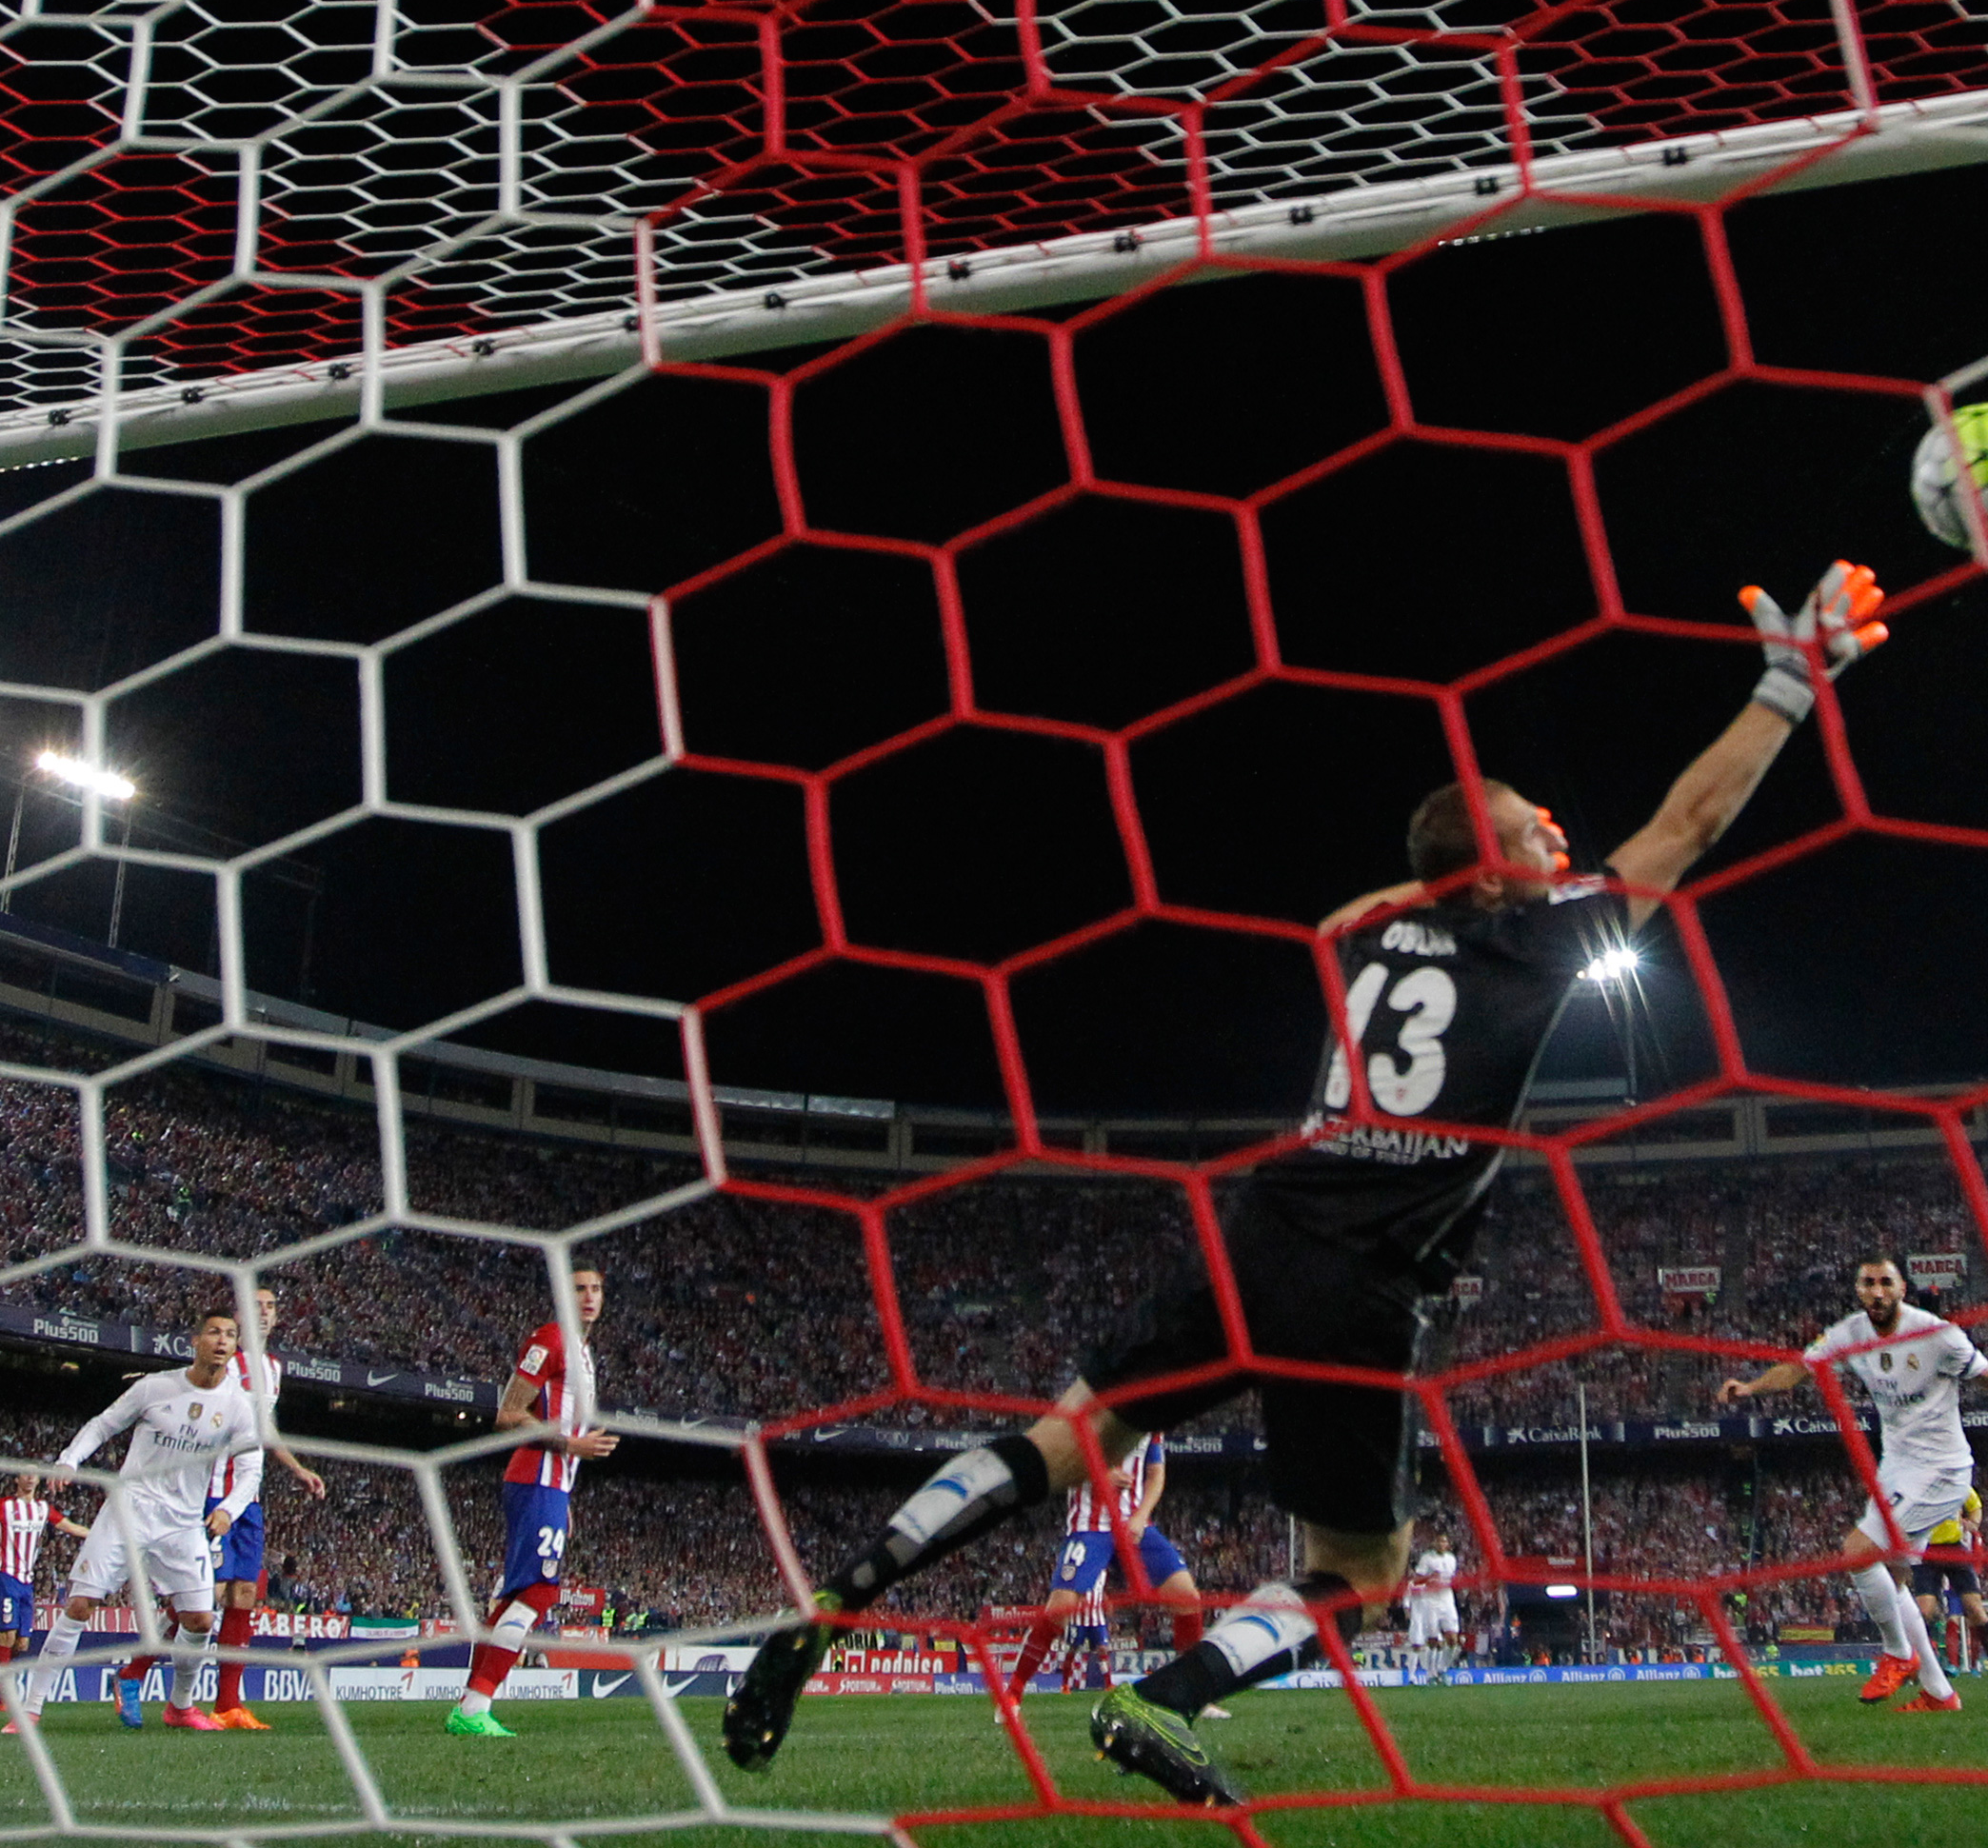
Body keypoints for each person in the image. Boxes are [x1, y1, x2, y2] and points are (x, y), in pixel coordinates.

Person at [722, 564, 1894, 1804]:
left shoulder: (1359, 933)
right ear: (1489, 872)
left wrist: (1463, 856)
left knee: (1061, 1438)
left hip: (1258, 1224)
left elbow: (1396, 883)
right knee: (1363, 1563)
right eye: (1528, 825)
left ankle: (840, 1594)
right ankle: (1159, 1700)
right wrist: (1785, 683)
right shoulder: (1535, 938)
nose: (1556, 831)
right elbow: (1688, 825)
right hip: (1360, 1281)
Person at [1719, 1256, 1988, 1715]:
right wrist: (1751, 1388)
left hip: (1944, 1471)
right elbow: (1799, 1367)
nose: (1876, 1291)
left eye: (1885, 1283)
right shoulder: (1851, 1333)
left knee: (1858, 1552)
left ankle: (1898, 1653)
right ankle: (1940, 1693)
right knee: (1892, 1580)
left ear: (1902, 1288)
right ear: (1858, 1289)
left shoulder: (1936, 1334)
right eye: (1867, 1283)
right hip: (1897, 1468)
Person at [20, 1310, 264, 1731]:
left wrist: (228, 1509)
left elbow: (251, 1470)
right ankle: (31, 1709)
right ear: (196, 1340)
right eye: (214, 1333)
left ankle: (180, 1707)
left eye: (230, 1336)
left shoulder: (238, 1406)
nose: (222, 1341)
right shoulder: (155, 1387)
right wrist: (69, 1460)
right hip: (128, 1510)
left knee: (201, 1619)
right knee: (79, 1605)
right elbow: (103, 1425)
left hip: (184, 1523)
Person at [448, 1266, 618, 1739]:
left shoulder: (583, 1352)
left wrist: (564, 1491)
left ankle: (469, 1706)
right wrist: (568, 1449)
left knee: (512, 1598)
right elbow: (507, 1414)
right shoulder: (551, 1339)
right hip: (534, 1477)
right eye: (578, 1289)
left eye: (595, 1289)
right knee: (539, 1592)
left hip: (551, 1486)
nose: (588, 1297)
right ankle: (477, 1703)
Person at [158, 1286, 328, 1730]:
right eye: (255, 1307)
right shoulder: (222, 1363)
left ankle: (228, 1704)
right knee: (203, 1598)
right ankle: (135, 1673)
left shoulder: (273, 1369)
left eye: (271, 1306)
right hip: (210, 1492)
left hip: (247, 1496)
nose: (265, 1314)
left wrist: (296, 1469)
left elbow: (264, 1432)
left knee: (245, 1595)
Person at [1005, 1436, 1212, 1712]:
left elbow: (1156, 1474)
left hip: (1136, 1526)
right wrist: (1100, 1473)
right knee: (1059, 1608)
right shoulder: (1092, 1411)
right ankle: (1013, 1694)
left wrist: (1141, 1516)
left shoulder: (1150, 1423)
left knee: (1187, 1596)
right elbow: (1062, 1462)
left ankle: (1193, 1694)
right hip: (1090, 1528)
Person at [1, 1474, 90, 1733]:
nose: (29, 1479)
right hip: (5, 1577)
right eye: (24, 1475)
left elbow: (70, 1527)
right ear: (17, 1479)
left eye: (33, 1475)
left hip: (27, 1584)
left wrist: (100, 1537)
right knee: (5, 1637)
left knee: (22, 1642)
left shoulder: (42, 1509)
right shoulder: (5, 1506)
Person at [1914, 1490, 1988, 1681]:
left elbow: (1975, 1505)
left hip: (1954, 1548)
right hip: (1925, 1551)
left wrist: (1973, 1522)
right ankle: (1915, 1668)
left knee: (1975, 1610)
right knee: (1925, 1611)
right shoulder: (1918, 1481)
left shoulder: (1955, 1480)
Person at [1402, 1532, 1460, 1677]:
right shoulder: (1427, 1559)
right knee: (1433, 1641)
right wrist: (1430, 1577)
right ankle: (1431, 1673)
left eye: (1444, 1542)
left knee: (1453, 1638)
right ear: (1434, 1543)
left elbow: (1452, 1579)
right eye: (1439, 1541)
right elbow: (1416, 1581)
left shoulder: (1452, 1559)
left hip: (1447, 1600)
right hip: (1431, 1602)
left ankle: (1442, 1668)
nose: (1441, 1544)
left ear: (1448, 1545)